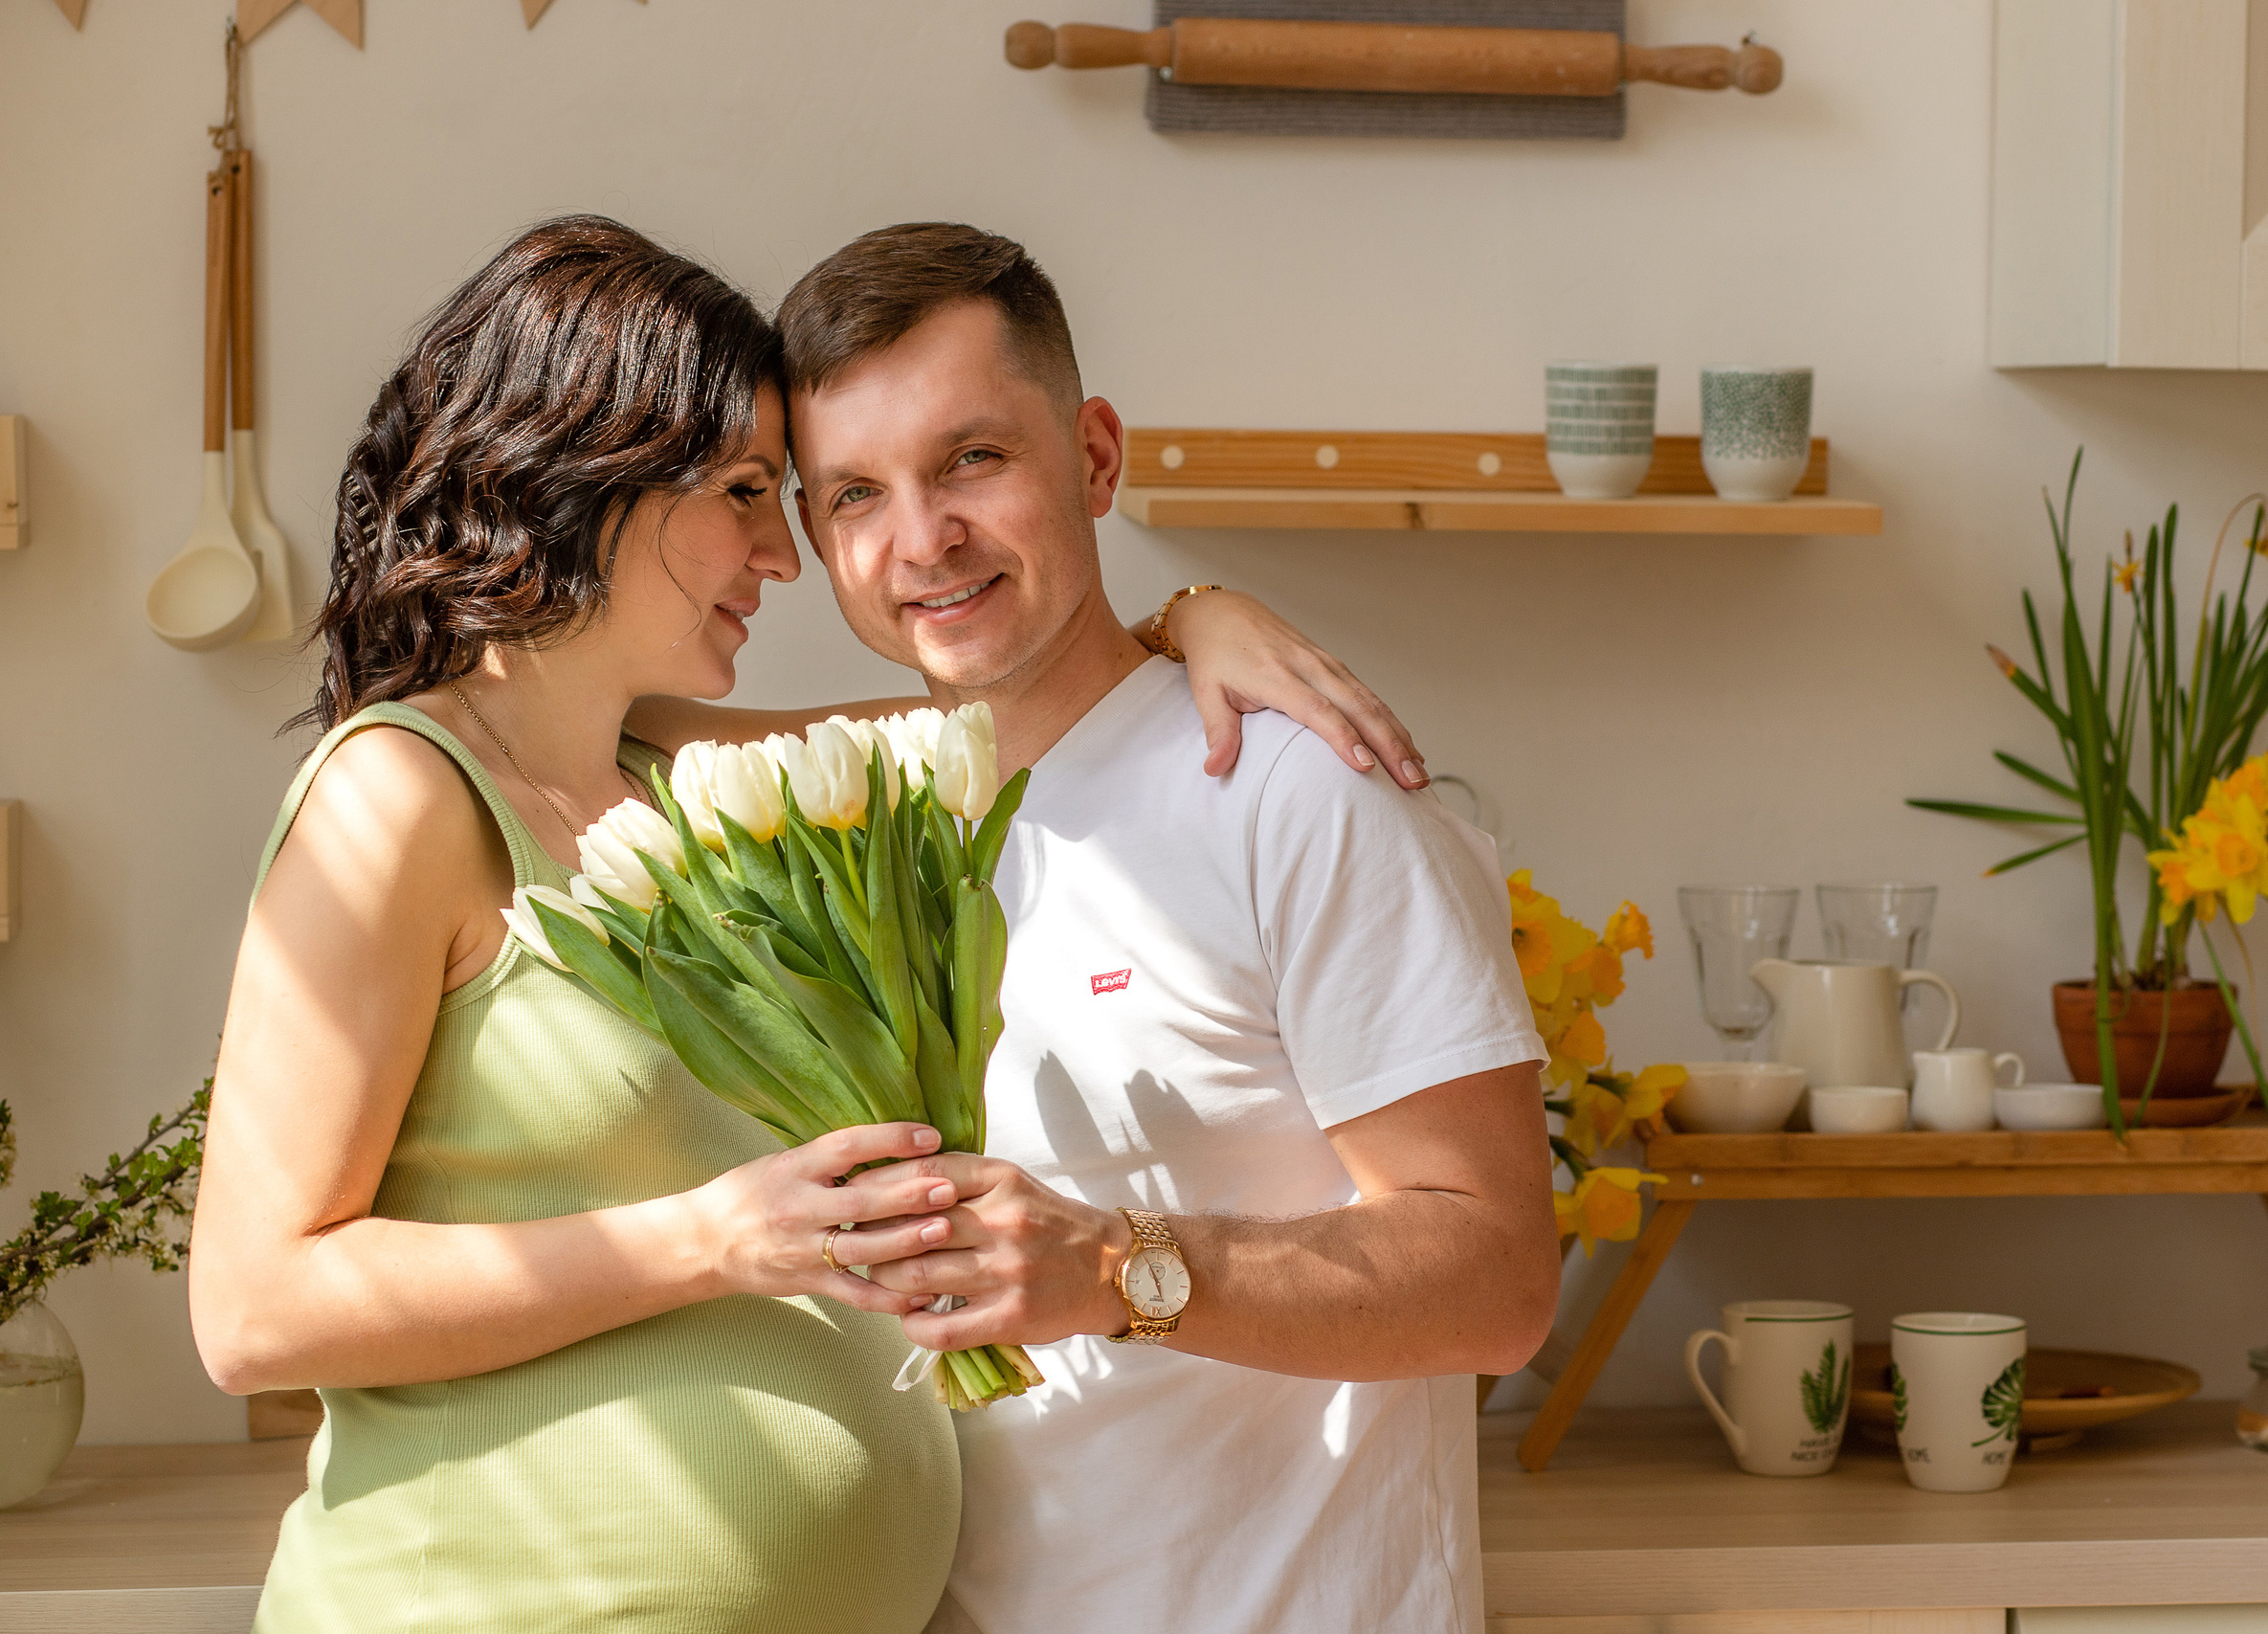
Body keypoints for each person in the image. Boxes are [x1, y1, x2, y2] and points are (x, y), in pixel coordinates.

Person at [187, 215, 1429, 1634]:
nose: (782, 555)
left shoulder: (687, 790)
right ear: (592, 472)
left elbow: (1008, 690)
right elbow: (251, 1311)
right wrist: (714, 1240)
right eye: (743, 490)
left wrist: (1193, 616)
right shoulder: (397, 799)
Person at [776, 223, 1556, 1634]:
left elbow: (1496, 1274)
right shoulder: (856, 835)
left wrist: (1110, 1269)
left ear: (1094, 456)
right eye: (857, 495)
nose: (923, 538)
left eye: (973, 459)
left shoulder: (1298, 791)